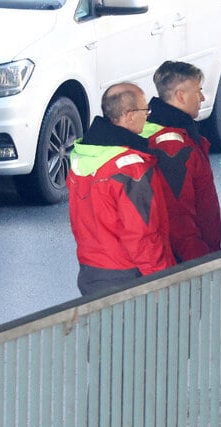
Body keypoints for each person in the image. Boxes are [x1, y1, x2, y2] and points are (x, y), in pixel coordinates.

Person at [67, 83, 176, 296]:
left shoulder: (84, 157)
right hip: (127, 275)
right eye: (145, 110)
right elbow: (141, 236)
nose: (148, 116)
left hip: (91, 271)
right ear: (128, 115)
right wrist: (164, 280)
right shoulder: (131, 168)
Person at [144, 60, 221, 263]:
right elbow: (179, 220)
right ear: (180, 96)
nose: (203, 98)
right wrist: (202, 263)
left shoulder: (165, 131)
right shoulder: (172, 146)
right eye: (198, 91)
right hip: (188, 263)